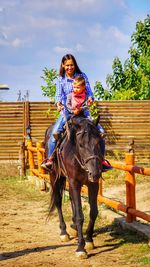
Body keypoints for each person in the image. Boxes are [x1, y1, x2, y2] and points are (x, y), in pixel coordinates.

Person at [41, 54, 112, 171]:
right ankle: (50, 160)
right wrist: (58, 104)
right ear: (63, 66)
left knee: (101, 132)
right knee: (54, 133)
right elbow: (58, 95)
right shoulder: (61, 79)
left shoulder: (82, 76)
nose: (70, 67)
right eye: (67, 65)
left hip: (83, 111)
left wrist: (90, 99)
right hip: (67, 111)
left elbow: (89, 91)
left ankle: (102, 161)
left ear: (75, 65)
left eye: (72, 65)